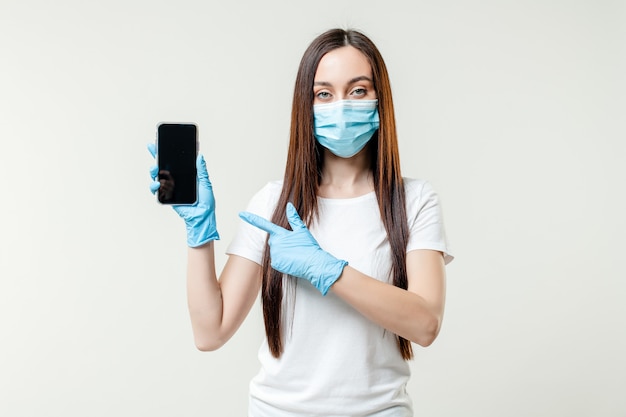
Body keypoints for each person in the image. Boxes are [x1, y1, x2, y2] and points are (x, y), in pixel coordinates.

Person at [148, 28, 453, 417]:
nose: (340, 105)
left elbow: (425, 324)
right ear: (305, 107)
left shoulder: (414, 201)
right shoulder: (274, 202)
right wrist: (199, 232)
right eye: (323, 94)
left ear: (381, 100)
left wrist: (328, 270)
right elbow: (211, 332)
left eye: (358, 90)